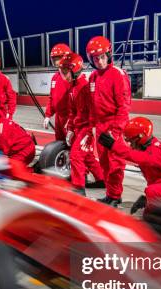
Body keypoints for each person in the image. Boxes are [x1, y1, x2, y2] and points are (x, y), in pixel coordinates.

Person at [98, 117, 161, 215]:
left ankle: (153, 220)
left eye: (131, 141)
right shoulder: (151, 147)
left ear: (140, 137)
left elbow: (136, 157)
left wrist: (113, 146)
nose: (131, 145)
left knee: (152, 191)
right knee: (152, 191)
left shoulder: (156, 151)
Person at [86, 36, 131, 207]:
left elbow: (124, 107)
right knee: (104, 164)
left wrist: (115, 131)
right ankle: (110, 194)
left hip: (114, 126)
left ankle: (116, 196)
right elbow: (91, 105)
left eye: (102, 57)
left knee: (115, 164)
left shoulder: (118, 75)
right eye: (96, 58)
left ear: (109, 54)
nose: (100, 61)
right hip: (100, 126)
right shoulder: (92, 78)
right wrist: (92, 126)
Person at [59, 53, 103, 196]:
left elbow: (93, 111)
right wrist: (71, 129)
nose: (63, 74)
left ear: (75, 69)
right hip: (79, 128)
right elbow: (73, 111)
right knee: (88, 156)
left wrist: (90, 132)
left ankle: (78, 188)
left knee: (76, 155)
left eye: (65, 71)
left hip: (86, 128)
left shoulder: (85, 87)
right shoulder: (73, 87)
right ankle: (102, 180)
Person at [43, 43, 71, 141]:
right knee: (59, 143)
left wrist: (72, 120)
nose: (56, 62)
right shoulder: (55, 77)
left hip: (69, 118)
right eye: (54, 59)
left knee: (72, 144)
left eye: (58, 58)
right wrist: (47, 115)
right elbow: (52, 98)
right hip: (59, 118)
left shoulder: (72, 77)